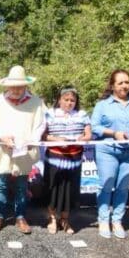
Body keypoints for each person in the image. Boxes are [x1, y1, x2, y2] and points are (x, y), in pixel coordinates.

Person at [0, 66, 45, 234]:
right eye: (13, 86)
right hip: (4, 149)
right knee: (2, 183)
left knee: (21, 185)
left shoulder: (35, 102)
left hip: (24, 149)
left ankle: (20, 216)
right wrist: (1, 136)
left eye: (20, 86)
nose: (16, 89)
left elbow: (40, 125)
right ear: (7, 86)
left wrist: (32, 139)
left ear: (25, 86)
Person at [90, 69, 129, 239]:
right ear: (112, 85)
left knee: (123, 187)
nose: (124, 86)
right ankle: (103, 219)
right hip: (107, 150)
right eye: (120, 83)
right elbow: (95, 126)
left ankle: (117, 220)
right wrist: (113, 133)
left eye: (127, 82)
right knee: (106, 185)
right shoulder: (102, 105)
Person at [43, 87, 92, 234]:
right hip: (54, 157)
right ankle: (52, 218)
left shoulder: (82, 115)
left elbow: (88, 135)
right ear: (59, 99)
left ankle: (65, 219)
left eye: (72, 100)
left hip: (74, 158)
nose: (69, 103)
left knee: (70, 189)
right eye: (66, 99)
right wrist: (57, 139)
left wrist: (81, 139)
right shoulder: (50, 114)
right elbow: (43, 135)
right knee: (54, 187)